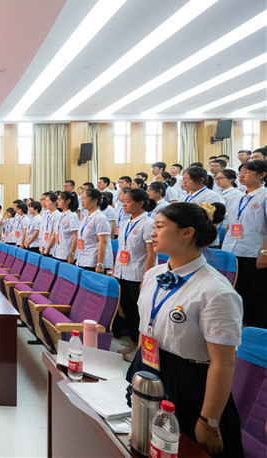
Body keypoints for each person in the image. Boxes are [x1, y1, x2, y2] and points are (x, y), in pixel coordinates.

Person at [126, 202, 243, 457]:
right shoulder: (153, 275)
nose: (152, 233)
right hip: (148, 368)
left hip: (188, 384)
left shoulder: (216, 291)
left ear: (187, 232)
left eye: (159, 227)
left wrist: (208, 420)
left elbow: (223, 363)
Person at [222, 160, 267, 328]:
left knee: (259, 293)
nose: (242, 176)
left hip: (254, 252)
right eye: (240, 173)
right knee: (240, 291)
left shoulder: (264, 196)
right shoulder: (237, 198)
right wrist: (225, 249)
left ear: (262, 175)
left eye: (247, 172)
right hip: (233, 251)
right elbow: (231, 224)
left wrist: (265, 252)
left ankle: (260, 329)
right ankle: (245, 325)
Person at [113, 189, 156, 361]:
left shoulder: (148, 223)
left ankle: (141, 348)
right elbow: (121, 249)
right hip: (122, 272)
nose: (124, 204)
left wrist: (146, 277)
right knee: (128, 311)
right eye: (123, 201)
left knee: (140, 313)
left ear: (140, 203)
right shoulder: (125, 223)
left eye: (128, 201)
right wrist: (115, 270)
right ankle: (133, 342)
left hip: (137, 274)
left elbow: (151, 254)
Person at [77, 188, 112, 273]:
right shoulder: (86, 218)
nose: (82, 201)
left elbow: (103, 242)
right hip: (84, 259)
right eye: (82, 198)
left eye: (85, 198)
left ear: (95, 200)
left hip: (94, 262)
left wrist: (100, 264)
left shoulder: (100, 218)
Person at [50, 191, 80, 264]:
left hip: (66, 254)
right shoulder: (61, 215)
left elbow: (75, 236)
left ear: (68, 201)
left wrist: (72, 254)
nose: (58, 202)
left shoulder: (72, 215)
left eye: (60, 200)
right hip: (58, 252)